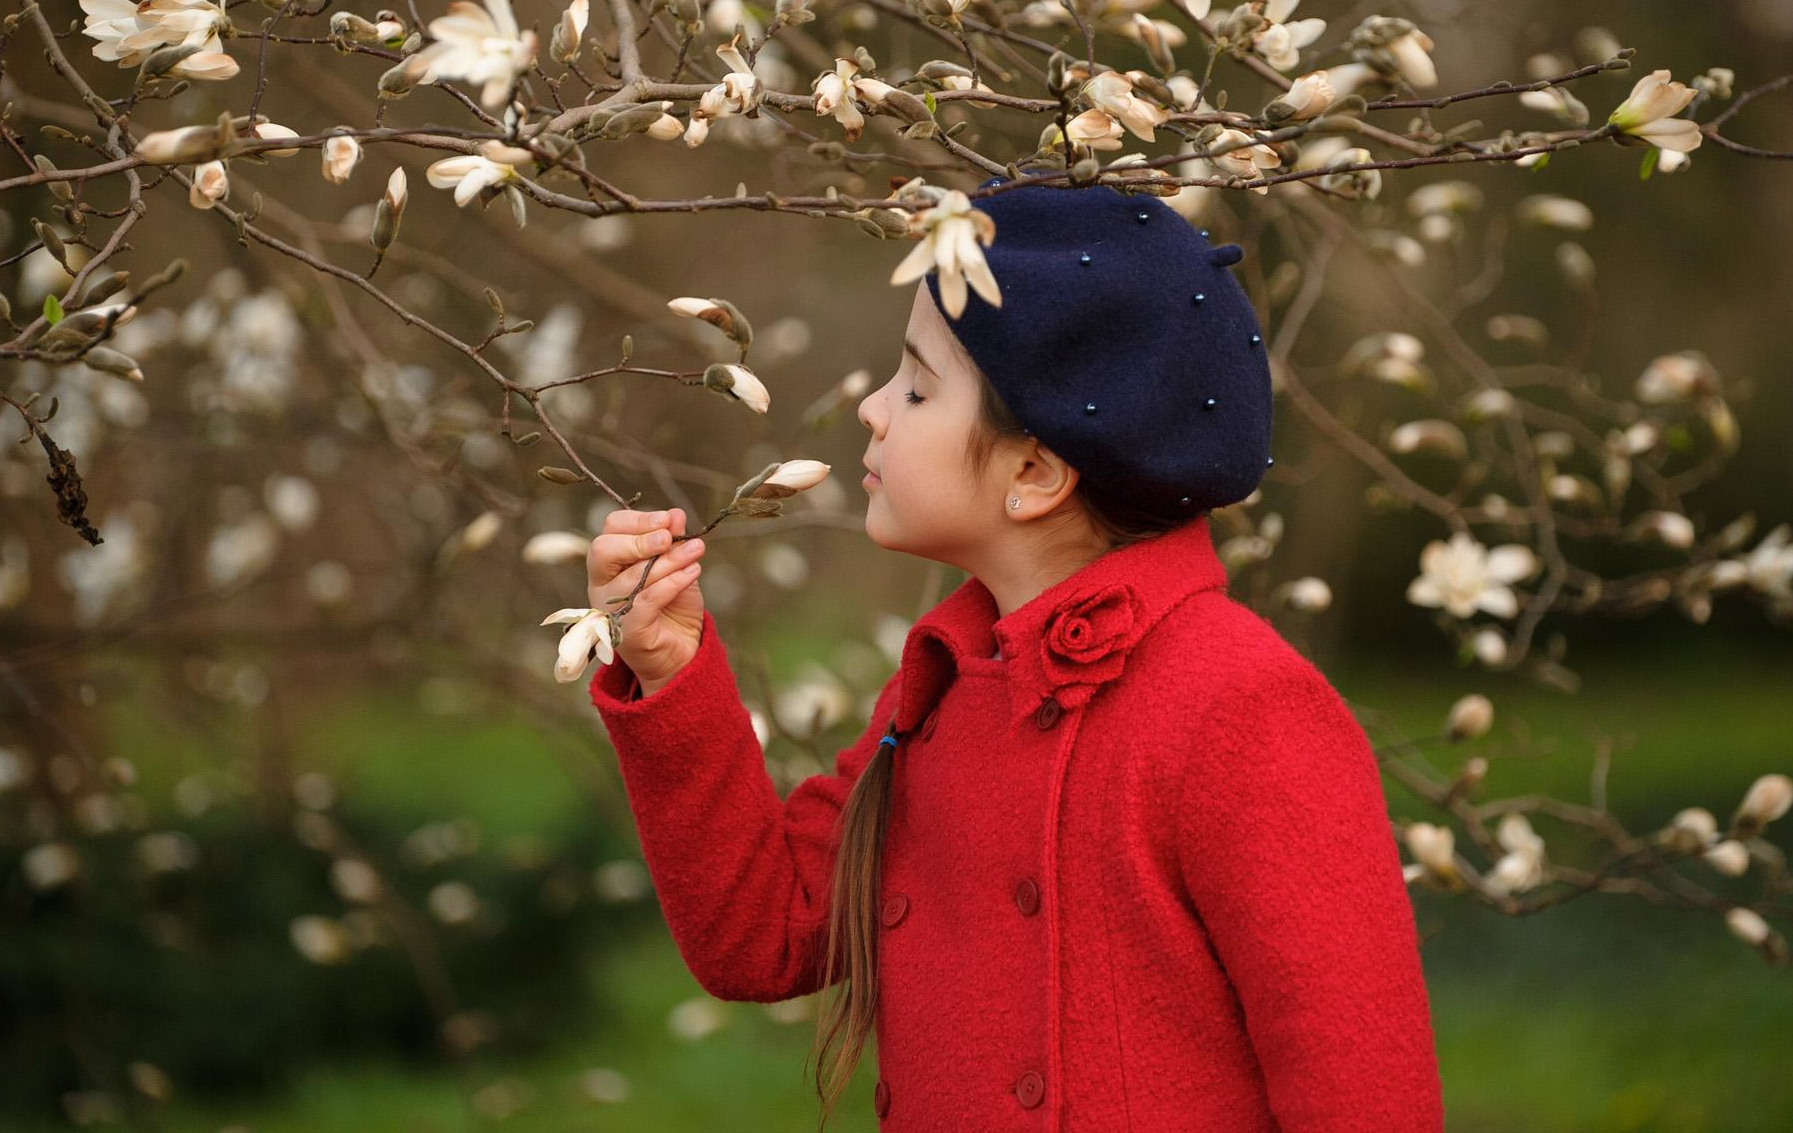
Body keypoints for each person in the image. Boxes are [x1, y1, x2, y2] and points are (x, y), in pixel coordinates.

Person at [584, 175, 1443, 1131]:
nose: (871, 408)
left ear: (1033, 472)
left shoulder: (1240, 707)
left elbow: (1365, 1093)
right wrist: (670, 670)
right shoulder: (948, 683)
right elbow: (766, 934)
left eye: (917, 388)